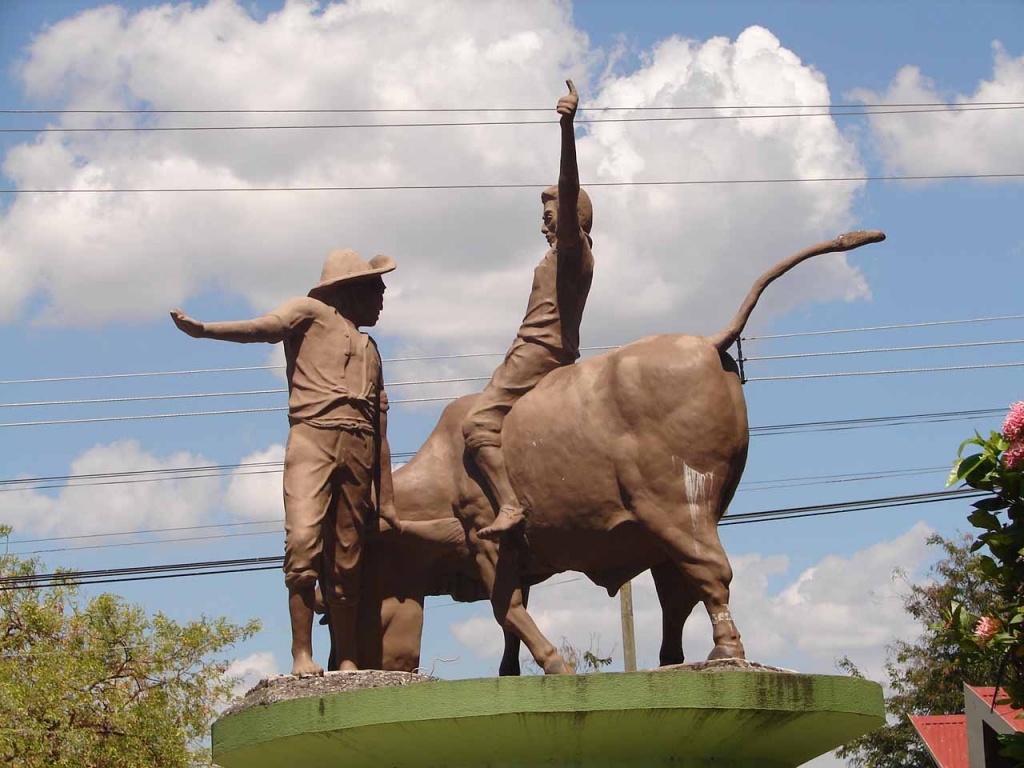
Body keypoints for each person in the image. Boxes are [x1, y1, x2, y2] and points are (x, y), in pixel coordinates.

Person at [170, 249, 401, 675]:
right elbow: (264, 327)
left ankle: (346, 655)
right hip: (313, 438)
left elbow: (382, 427)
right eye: (377, 287)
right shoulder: (309, 312)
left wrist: (385, 499)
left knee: (348, 555)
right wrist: (204, 330)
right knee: (303, 541)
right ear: (353, 288)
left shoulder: (372, 349)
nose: (383, 296)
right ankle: (302, 655)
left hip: (360, 447)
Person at [462, 80, 594, 540]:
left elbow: (569, 182)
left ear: (576, 214)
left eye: (551, 211)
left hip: (540, 352)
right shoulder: (558, 257)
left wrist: (567, 130)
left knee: (477, 424)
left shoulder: (572, 253)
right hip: (529, 349)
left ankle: (510, 505)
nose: (543, 221)